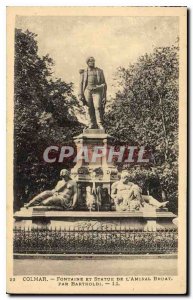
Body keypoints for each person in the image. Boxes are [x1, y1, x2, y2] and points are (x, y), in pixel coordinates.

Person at [78, 56, 107, 129]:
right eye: (91, 61)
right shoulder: (84, 72)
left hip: (97, 91)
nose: (93, 62)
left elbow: (104, 83)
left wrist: (104, 95)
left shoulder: (99, 71)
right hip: (87, 91)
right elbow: (80, 84)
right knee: (88, 108)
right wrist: (80, 94)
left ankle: (99, 123)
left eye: (93, 61)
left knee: (98, 106)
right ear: (87, 62)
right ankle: (90, 124)